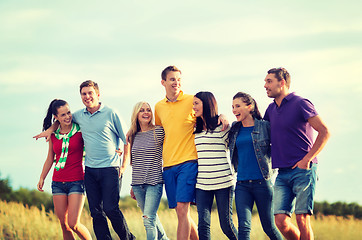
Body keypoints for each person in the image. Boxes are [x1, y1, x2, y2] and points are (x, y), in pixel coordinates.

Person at [34, 81, 135, 240]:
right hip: (90, 171)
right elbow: (60, 121)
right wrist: (49, 130)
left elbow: (127, 139)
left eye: (90, 93)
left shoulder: (110, 113)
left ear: (98, 94)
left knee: (110, 209)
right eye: (84, 94)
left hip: (109, 168)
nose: (87, 97)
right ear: (80, 96)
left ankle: (129, 238)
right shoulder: (79, 116)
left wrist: (123, 165)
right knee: (95, 212)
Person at [263, 68, 330, 240]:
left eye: (269, 81)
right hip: (282, 172)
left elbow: (324, 131)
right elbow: (258, 132)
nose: (265, 85)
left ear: (282, 82)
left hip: (303, 170)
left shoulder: (301, 103)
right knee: (280, 222)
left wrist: (306, 159)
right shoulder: (270, 110)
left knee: (302, 219)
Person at [228, 92, 283, 240]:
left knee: (269, 228)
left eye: (238, 106)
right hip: (242, 185)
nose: (234, 110)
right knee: (244, 227)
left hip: (263, 184)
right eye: (232, 107)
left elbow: (281, 143)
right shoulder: (234, 129)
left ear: (249, 106)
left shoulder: (265, 126)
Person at [154, 66, 199, 240]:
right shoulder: (158, 107)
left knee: (182, 209)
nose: (176, 82)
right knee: (181, 213)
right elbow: (157, 132)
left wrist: (223, 117)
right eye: (172, 79)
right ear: (163, 82)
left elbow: (208, 115)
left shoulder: (192, 100)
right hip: (169, 165)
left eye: (179, 79)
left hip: (189, 161)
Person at [37, 99, 92, 240]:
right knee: (64, 224)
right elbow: (50, 158)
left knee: (74, 223)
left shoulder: (80, 130)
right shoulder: (53, 135)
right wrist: (42, 177)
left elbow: (95, 142)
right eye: (63, 115)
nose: (67, 117)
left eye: (68, 113)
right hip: (57, 183)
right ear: (56, 117)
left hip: (77, 181)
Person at [192, 91, 238, 240]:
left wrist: (223, 116)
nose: (193, 107)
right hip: (202, 184)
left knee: (226, 225)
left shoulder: (222, 127)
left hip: (223, 182)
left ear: (206, 104)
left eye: (196, 103)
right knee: (203, 226)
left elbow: (234, 148)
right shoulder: (195, 129)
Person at [126, 101, 168, 240]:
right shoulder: (133, 135)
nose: (146, 112)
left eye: (148, 110)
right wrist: (133, 185)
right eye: (142, 110)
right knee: (152, 218)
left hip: (154, 182)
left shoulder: (159, 131)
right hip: (138, 185)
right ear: (136, 114)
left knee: (148, 220)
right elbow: (135, 162)